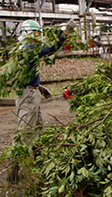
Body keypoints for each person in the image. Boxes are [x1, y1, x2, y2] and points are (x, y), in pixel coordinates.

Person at [10, 18, 75, 183]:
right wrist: (65, 32)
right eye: (37, 33)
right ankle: (14, 169)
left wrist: (37, 87)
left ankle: (38, 158)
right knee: (24, 129)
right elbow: (51, 49)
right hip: (27, 96)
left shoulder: (22, 49)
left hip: (31, 92)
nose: (39, 36)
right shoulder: (29, 48)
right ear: (30, 34)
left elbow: (27, 73)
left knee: (37, 125)